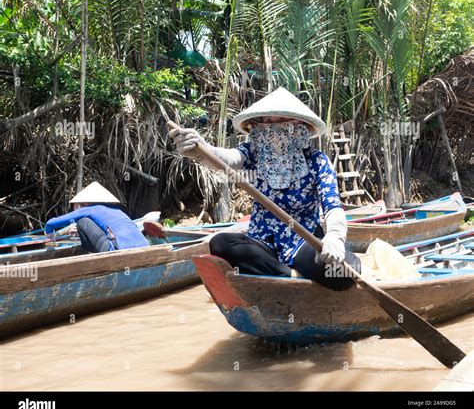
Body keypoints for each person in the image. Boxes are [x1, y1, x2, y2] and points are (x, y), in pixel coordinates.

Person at [170, 87, 361, 291]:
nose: (269, 129)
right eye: (265, 123)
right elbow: (229, 159)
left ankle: (285, 272)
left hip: (302, 242)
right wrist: (202, 150)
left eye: (277, 122)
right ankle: (288, 276)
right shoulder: (253, 153)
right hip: (262, 243)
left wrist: (335, 237)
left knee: (348, 271)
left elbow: (332, 206)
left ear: (298, 126)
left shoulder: (317, 161)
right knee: (220, 243)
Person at [45, 181, 150, 253]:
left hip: (118, 249)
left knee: (82, 222)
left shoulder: (89, 209)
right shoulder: (118, 211)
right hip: (144, 246)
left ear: (85, 203)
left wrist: (49, 234)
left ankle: (90, 256)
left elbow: (50, 223)